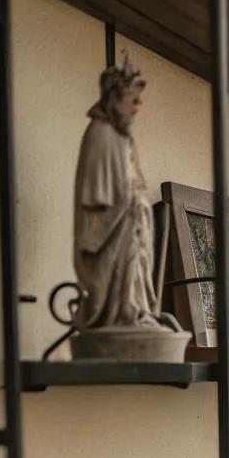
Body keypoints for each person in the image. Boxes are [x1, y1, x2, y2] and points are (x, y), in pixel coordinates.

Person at [73, 57, 162, 332]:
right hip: (113, 230)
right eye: (132, 100)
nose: (137, 108)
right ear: (113, 99)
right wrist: (130, 203)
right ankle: (122, 312)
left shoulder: (122, 137)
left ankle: (134, 311)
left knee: (136, 270)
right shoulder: (100, 135)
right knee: (122, 278)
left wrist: (138, 203)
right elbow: (96, 202)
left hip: (131, 227)